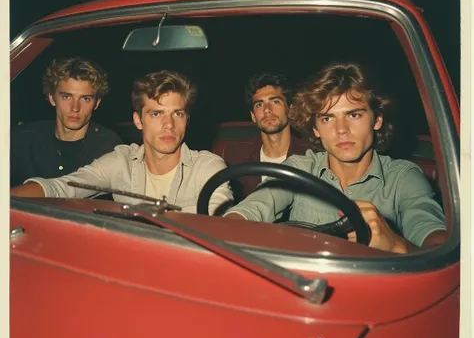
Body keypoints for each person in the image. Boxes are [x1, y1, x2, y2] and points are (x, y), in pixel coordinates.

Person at [225, 63, 447, 254]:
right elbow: (253, 208)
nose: (341, 129)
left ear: (377, 120)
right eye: (328, 118)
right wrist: (231, 225)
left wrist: (396, 245)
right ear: (316, 129)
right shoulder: (299, 168)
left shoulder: (402, 178)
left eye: (353, 115)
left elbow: (437, 244)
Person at [11, 70, 233, 215]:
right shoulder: (121, 161)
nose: (169, 125)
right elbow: (63, 187)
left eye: (177, 114)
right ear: (138, 120)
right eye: (156, 114)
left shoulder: (208, 167)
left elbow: (219, 224)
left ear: (187, 120)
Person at [10, 57, 122, 187]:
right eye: (66, 97)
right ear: (52, 98)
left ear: (96, 103)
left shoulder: (109, 147)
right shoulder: (21, 139)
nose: (75, 108)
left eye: (85, 99)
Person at [225, 72, 310, 200]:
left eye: (275, 102)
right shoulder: (236, 156)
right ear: (253, 116)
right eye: (259, 104)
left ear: (290, 110)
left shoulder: (311, 155)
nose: (267, 110)